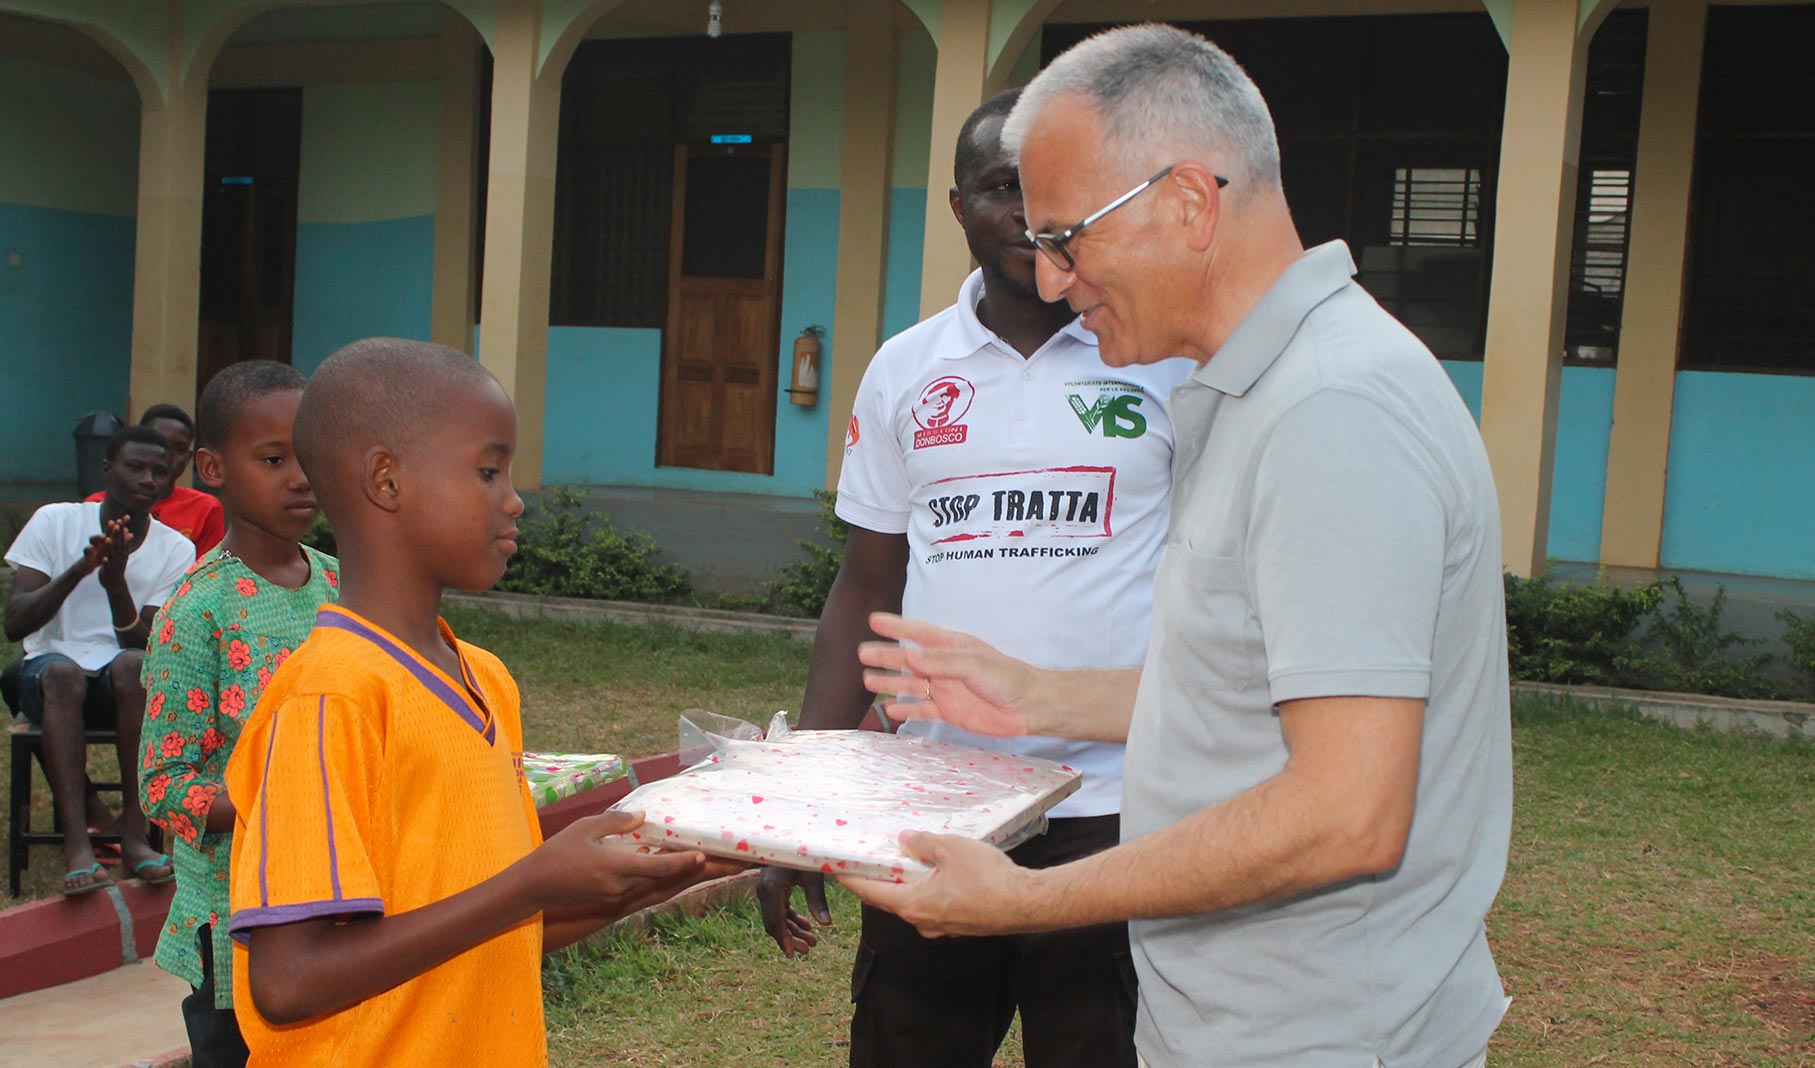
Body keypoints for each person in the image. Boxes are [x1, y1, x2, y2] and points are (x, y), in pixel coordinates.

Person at [842, 25, 1513, 1068]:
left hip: (1319, 1037)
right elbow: (1257, 698)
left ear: (1190, 203)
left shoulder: (1330, 410)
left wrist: (1026, 897)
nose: (1053, 278)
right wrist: (1040, 697)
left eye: (1068, 236)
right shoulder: (1251, 390)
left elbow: (1344, 813)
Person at [756, 90, 1190, 1068]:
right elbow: (865, 588)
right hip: (934, 811)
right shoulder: (906, 371)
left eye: (1057, 196)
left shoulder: (1158, 364)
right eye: (1005, 191)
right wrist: (800, 806)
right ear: (956, 205)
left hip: (1112, 813)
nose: (1035, 221)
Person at [223, 338, 740, 1067]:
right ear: (386, 480)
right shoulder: (329, 696)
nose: (514, 498)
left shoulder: (485, 677)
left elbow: (492, 915)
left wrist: (641, 881)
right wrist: (531, 880)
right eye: (488, 470)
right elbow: (288, 980)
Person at [140, 361, 336, 1068]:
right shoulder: (198, 611)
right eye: (275, 459)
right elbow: (163, 784)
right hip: (237, 924)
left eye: (310, 456)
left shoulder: (343, 586)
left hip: (336, 901)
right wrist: (277, 801)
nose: (301, 478)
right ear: (213, 468)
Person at [4, 425, 192, 894]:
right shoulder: (55, 521)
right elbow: (15, 623)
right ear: (107, 470)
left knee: (132, 666)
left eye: (160, 472)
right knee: (65, 675)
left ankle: (135, 839)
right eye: (136, 467)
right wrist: (80, 570)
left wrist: (115, 584)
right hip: (48, 673)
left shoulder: (177, 549)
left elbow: (146, 643)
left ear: (171, 483)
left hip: (120, 687)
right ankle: (78, 848)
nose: (149, 479)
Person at [87, 403, 226, 558]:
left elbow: (207, 572)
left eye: (179, 448)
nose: (167, 455)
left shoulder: (205, 508)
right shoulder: (96, 505)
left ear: (188, 459)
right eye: (158, 443)